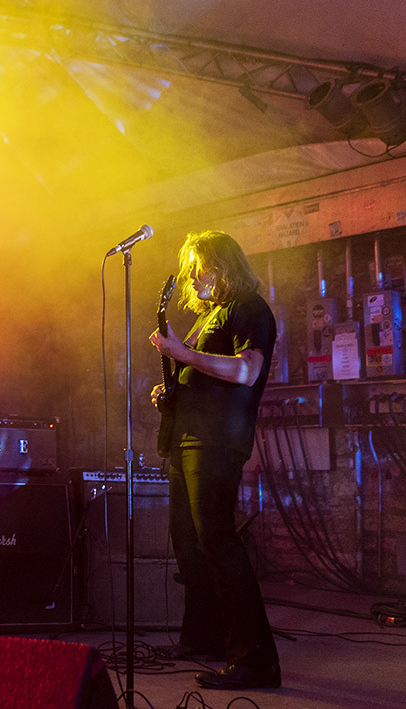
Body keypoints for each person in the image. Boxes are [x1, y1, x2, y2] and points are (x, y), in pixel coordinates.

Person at [148, 231, 281, 690]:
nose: (190, 276)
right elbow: (205, 372)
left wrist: (182, 355)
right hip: (187, 438)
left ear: (222, 266)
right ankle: (202, 637)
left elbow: (245, 371)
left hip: (216, 442)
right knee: (188, 542)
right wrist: (175, 388)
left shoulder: (249, 309)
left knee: (218, 541)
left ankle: (256, 661)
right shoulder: (210, 318)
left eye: (197, 266)